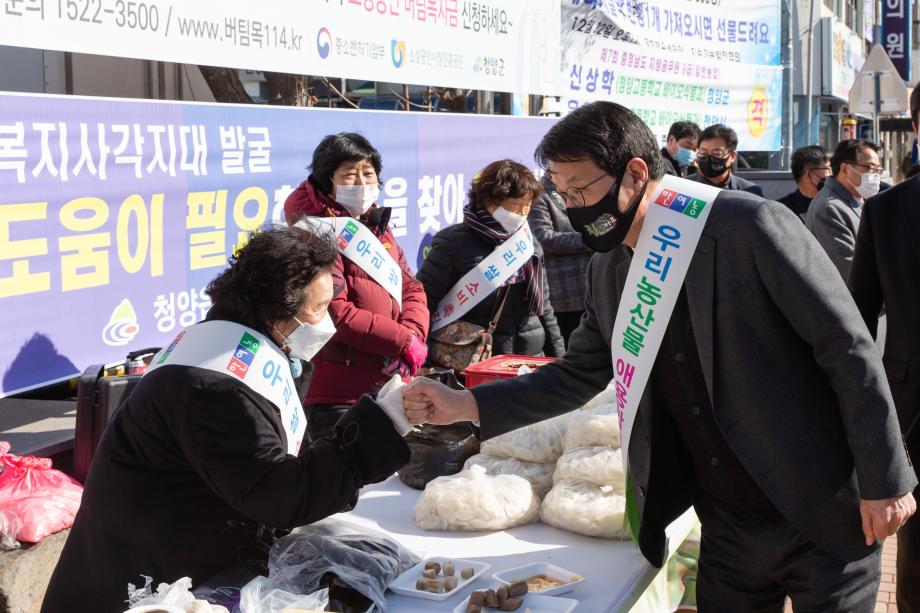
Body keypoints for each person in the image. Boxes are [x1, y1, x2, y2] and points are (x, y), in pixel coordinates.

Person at [404, 101, 916, 612]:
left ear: (635, 172)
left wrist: (885, 478)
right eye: (562, 192)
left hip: (820, 506)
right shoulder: (606, 271)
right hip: (727, 524)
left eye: (581, 188)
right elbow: (578, 374)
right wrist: (464, 406)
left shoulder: (749, 225)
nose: (573, 204)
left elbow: (846, 346)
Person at [41, 227, 411, 613]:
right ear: (277, 311)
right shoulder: (216, 388)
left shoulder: (233, 344)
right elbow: (279, 494)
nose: (327, 322)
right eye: (318, 309)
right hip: (139, 585)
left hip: (178, 558)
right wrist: (378, 427)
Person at [284, 132, 429, 441]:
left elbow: (411, 288)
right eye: (349, 175)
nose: (361, 183)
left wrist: (413, 333)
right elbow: (334, 312)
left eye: (368, 173)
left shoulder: (377, 229)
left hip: (386, 383)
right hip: (337, 394)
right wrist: (403, 341)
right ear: (327, 181)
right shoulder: (314, 232)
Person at [849, 85, 920, 613]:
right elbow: (855, 319)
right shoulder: (885, 211)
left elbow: (854, 321)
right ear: (916, 129)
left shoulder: (887, 210)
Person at [417, 160, 564, 359]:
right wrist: (419, 356)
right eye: (516, 206)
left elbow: (545, 308)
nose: (523, 214)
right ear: (491, 201)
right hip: (476, 359)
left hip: (529, 358)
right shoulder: (452, 243)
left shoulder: (528, 242)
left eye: (528, 206)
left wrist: (560, 357)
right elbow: (424, 302)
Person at [527, 176, 592, 347]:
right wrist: (589, 239)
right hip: (564, 294)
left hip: (588, 288)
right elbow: (544, 238)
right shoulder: (540, 195)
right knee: (571, 348)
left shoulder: (582, 186)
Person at [805, 139, 881, 281]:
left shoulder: (861, 201)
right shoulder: (829, 208)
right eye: (870, 168)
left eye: (878, 170)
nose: (875, 176)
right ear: (845, 168)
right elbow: (850, 269)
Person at [687, 124, 764, 196]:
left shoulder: (750, 191)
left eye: (717, 154)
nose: (709, 158)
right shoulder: (684, 187)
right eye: (703, 153)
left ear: (733, 156)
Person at [778, 145, 831, 219]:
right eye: (828, 168)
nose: (832, 174)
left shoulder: (837, 204)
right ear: (809, 174)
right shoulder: (781, 210)